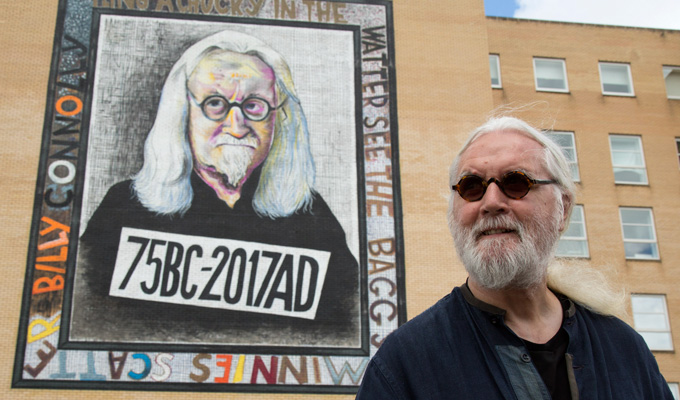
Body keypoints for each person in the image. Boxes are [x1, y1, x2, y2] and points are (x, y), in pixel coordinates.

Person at [71, 30, 359, 347]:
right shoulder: (125, 207)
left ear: (279, 119)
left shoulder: (312, 216)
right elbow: (86, 318)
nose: (236, 127)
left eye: (255, 105)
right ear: (181, 112)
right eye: (215, 103)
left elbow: (345, 329)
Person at [355, 116, 673, 399]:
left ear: (562, 208)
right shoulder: (406, 363)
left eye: (516, 182)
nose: (491, 202)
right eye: (471, 187)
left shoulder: (624, 350)